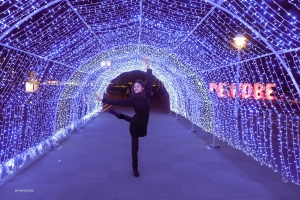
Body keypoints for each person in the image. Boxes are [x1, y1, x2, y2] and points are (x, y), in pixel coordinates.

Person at [94, 57, 152, 177]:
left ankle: (117, 114)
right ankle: (135, 169)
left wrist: (148, 66)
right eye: (134, 87)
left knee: (130, 119)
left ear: (142, 88)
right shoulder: (132, 100)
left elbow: (149, 80)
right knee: (135, 148)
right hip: (136, 126)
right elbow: (119, 102)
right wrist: (102, 99)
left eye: (138, 86)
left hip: (142, 123)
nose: (135, 88)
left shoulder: (147, 96)